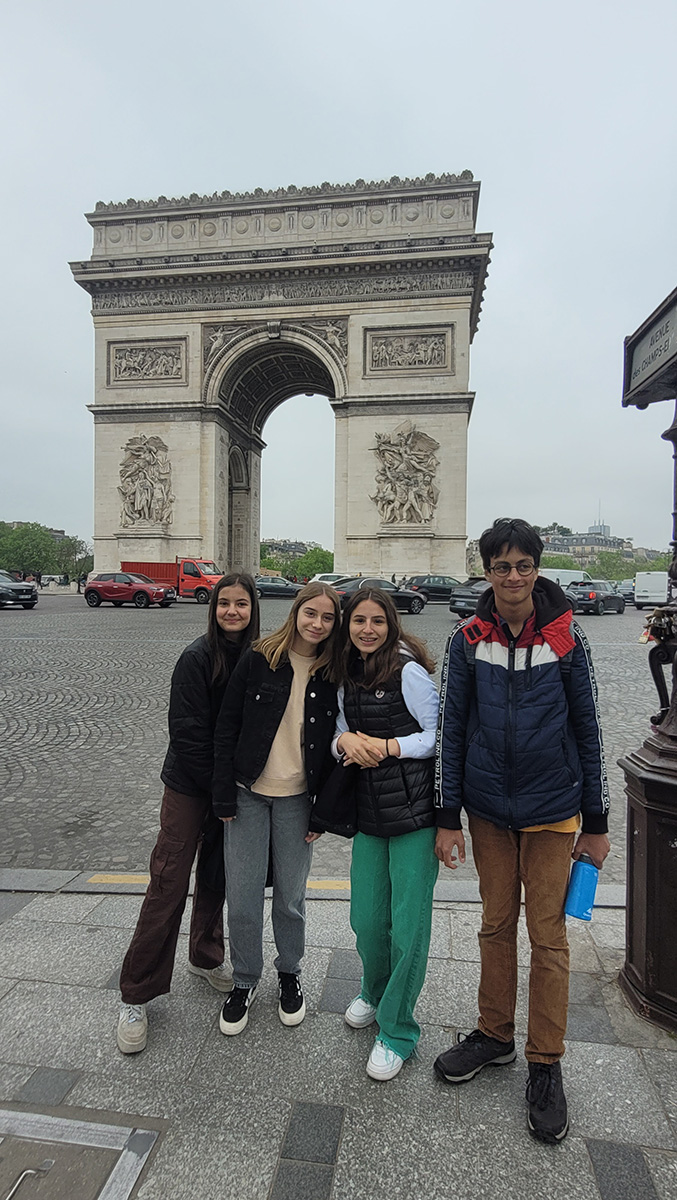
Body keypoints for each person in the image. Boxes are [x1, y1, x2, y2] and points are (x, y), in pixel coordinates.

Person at [434, 518, 610, 1143]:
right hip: (486, 810)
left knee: (549, 935)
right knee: (493, 924)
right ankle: (494, 1034)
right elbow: (452, 729)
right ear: (486, 572)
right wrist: (445, 815)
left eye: (523, 566)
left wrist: (598, 822)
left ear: (538, 569)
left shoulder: (568, 637)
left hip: (553, 809)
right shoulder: (466, 638)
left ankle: (545, 1062)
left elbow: (589, 730)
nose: (513, 577)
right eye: (501, 566)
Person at [116, 573, 260, 1054]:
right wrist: (220, 793)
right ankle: (136, 993)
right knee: (169, 882)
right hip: (191, 786)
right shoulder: (195, 657)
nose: (232, 612)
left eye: (241, 604)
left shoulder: (260, 657)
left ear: (252, 609)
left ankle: (204, 954)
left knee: (217, 876)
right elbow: (188, 734)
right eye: (225, 604)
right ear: (213, 607)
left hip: (230, 790)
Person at [212, 582, 341, 1035]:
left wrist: (323, 812)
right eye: (311, 613)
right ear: (296, 610)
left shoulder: (334, 671)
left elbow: (334, 748)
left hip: (298, 800)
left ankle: (291, 973)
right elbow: (227, 726)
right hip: (247, 794)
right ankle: (245, 979)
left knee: (290, 897)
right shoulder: (259, 656)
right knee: (243, 898)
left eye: (327, 617)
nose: (317, 624)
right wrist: (222, 794)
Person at [331, 588, 439, 1081]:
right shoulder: (344, 671)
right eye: (359, 620)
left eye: (377, 620)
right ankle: (374, 991)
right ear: (346, 625)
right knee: (367, 919)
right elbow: (335, 729)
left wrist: (391, 744)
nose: (367, 629)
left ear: (391, 624)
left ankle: (398, 1030)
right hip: (368, 810)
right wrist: (343, 740)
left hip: (415, 812)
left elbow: (439, 733)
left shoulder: (409, 671)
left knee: (408, 925)